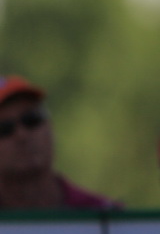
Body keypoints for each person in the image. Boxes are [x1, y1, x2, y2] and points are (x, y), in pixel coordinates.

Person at [0, 74, 120, 210]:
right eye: (4, 129)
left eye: (31, 119)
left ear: (50, 126)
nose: (22, 135)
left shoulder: (102, 215)